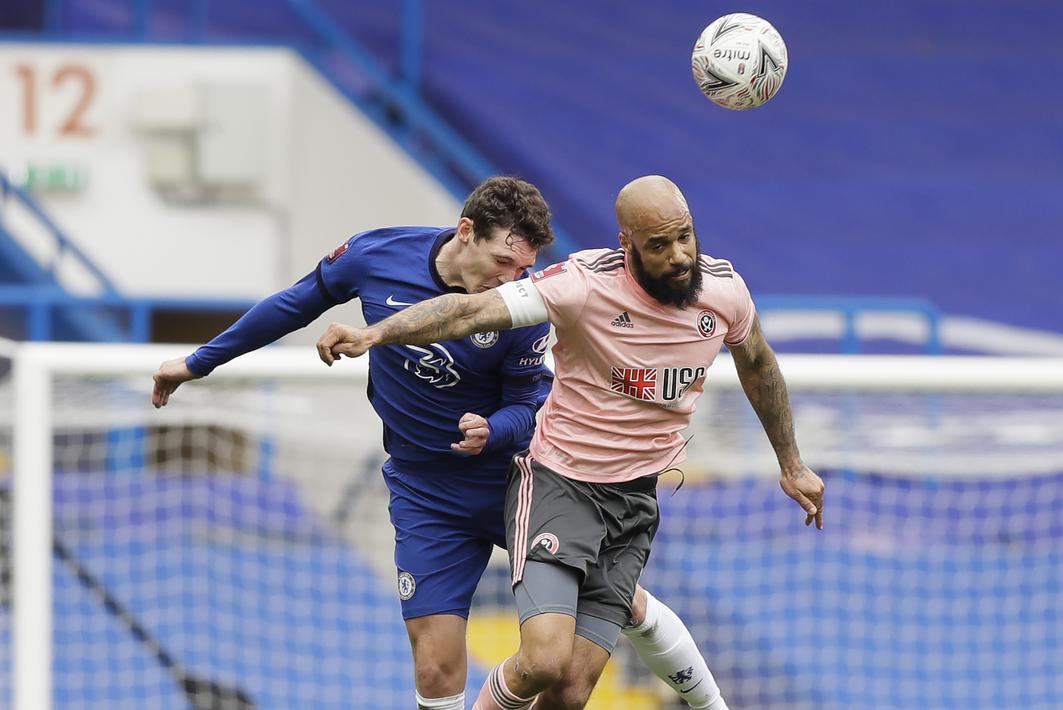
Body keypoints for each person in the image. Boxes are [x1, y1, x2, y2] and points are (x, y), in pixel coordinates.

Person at [152, 176, 730, 710]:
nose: (510, 279)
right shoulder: (377, 256)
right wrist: (198, 363)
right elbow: (292, 305)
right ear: (465, 232)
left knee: (613, 608)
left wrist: (493, 429)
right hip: (425, 489)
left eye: (523, 267)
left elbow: (534, 400)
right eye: (503, 260)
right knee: (435, 665)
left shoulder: (522, 306)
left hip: (519, 480)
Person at [317, 174, 826, 710]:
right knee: (543, 661)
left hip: (634, 503)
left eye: (685, 237)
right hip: (560, 486)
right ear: (626, 244)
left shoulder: (725, 293)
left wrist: (791, 464)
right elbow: (470, 311)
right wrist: (376, 334)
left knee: (571, 691)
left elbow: (758, 364)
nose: (679, 256)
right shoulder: (582, 283)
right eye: (659, 245)